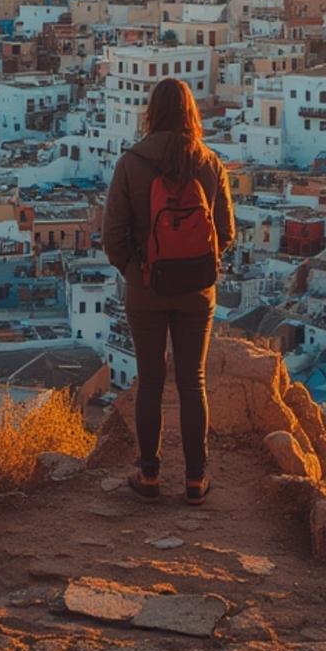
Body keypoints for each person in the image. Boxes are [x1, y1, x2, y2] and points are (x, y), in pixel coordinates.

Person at [102, 78, 234, 504]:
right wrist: (197, 265)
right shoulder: (209, 163)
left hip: (146, 290)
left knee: (151, 381)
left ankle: (149, 476)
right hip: (197, 291)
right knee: (193, 381)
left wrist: (137, 272)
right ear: (191, 113)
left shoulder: (130, 164)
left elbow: (112, 236)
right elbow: (226, 232)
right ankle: (195, 480)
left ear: (152, 113)